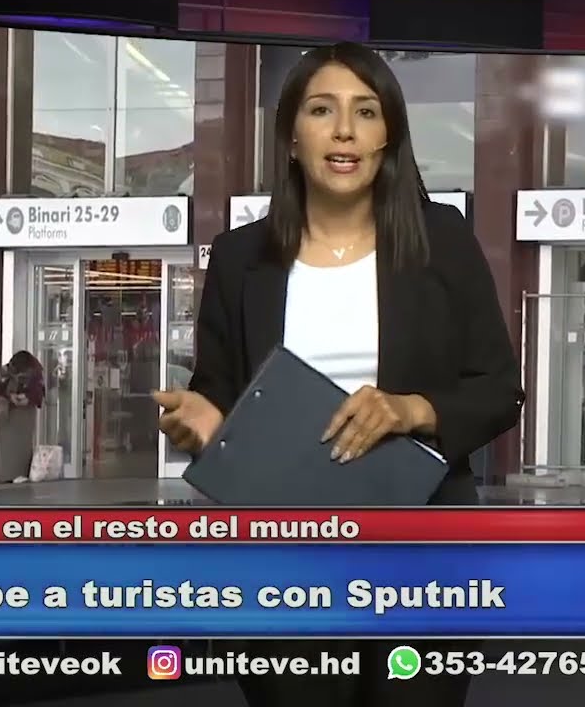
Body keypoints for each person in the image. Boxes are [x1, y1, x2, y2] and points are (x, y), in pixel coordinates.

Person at [153, 43, 523, 707]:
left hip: (421, 552)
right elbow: (219, 393)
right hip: (284, 556)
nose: (345, 130)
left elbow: (498, 390)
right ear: (293, 137)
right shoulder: (240, 258)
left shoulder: (442, 241)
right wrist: (206, 423)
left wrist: (410, 410)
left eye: (366, 112)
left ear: (389, 138)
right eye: (322, 110)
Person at [0, 350, 46, 482]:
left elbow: (38, 394)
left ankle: (17, 477)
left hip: (22, 418)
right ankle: (9, 477)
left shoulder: (35, 373)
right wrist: (11, 397)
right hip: (9, 417)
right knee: (9, 450)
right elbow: (0, 390)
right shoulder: (6, 371)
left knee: (21, 451)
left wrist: (26, 398)